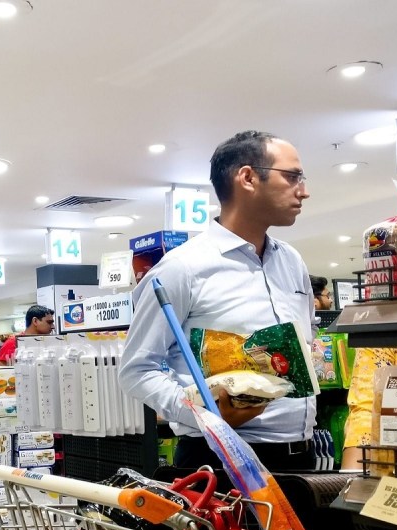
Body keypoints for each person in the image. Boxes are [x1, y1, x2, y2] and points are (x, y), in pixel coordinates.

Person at [119, 130, 316, 471]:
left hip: (301, 456)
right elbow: (137, 369)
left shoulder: (291, 261)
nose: (304, 190)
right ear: (248, 178)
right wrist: (204, 413)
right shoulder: (183, 268)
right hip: (218, 457)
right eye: (292, 176)